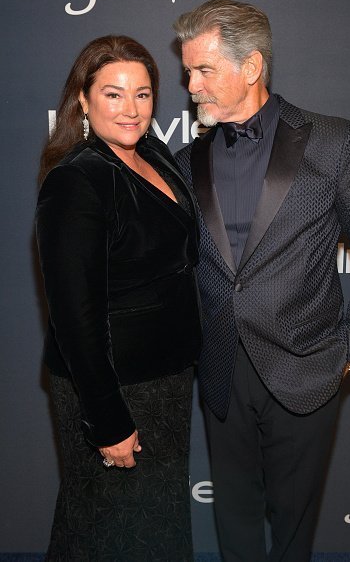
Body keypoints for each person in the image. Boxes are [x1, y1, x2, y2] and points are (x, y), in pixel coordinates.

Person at [173, 0, 350, 562]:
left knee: (293, 530)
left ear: (250, 67)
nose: (190, 83)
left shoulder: (331, 141)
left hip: (306, 367)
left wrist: (347, 354)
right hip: (222, 367)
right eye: (188, 70)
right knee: (235, 522)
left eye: (203, 70)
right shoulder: (185, 159)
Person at [36, 34, 202, 561]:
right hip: (114, 385)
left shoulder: (152, 153)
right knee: (106, 529)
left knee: (152, 523)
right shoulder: (76, 181)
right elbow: (73, 316)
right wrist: (107, 417)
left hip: (165, 379)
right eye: (113, 94)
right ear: (83, 100)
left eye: (143, 94)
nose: (131, 110)